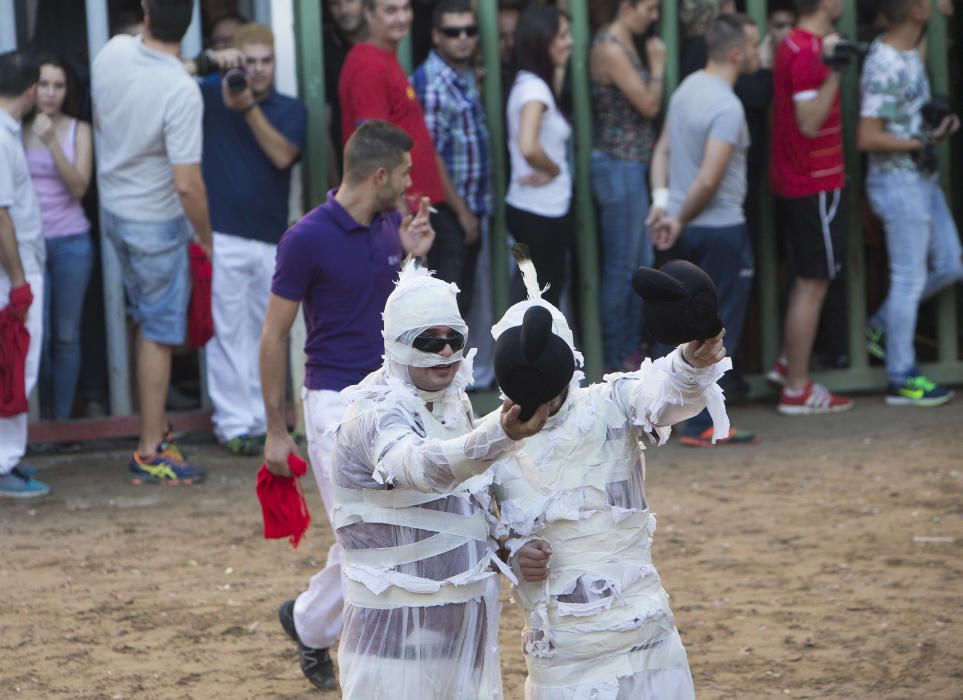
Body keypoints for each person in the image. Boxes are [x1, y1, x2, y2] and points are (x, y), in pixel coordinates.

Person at [491, 256, 731, 700]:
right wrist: (514, 553)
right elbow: (477, 538)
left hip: (648, 640)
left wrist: (692, 362)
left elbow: (665, 396)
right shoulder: (490, 443)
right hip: (564, 657)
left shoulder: (613, 404)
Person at [320, 259, 549, 698]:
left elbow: (470, 506)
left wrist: (510, 548)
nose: (445, 352)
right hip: (392, 645)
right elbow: (421, 468)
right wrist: (497, 435)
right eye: (429, 340)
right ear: (397, 345)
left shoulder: (453, 405)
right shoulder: (374, 414)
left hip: (463, 634)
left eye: (454, 339)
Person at [261, 120, 435, 690]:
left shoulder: (390, 227)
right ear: (380, 175)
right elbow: (273, 336)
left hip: (390, 397)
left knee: (383, 526)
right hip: (335, 402)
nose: (412, 183)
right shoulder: (306, 237)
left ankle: (309, 622)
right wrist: (276, 430)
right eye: (406, 173)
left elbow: (403, 312)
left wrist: (413, 258)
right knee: (365, 533)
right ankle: (368, 645)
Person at [92, 0, 211, 484]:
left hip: (115, 210)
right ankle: (149, 449)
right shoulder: (181, 90)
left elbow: (104, 120)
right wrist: (206, 237)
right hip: (156, 221)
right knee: (160, 332)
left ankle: (154, 430)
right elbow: (187, 184)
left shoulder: (112, 52)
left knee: (145, 321)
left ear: (144, 15)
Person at [647, 13, 759, 447]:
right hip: (719, 229)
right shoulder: (727, 106)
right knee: (715, 327)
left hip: (683, 228)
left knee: (674, 322)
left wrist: (663, 207)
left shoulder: (687, 87)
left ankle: (655, 416)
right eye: (752, 46)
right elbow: (710, 179)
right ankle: (700, 423)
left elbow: (662, 150)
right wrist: (678, 216)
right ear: (736, 53)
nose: (758, 53)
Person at [199, 23, 307, 455]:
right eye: (249, 62)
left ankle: (269, 423)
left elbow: (282, 155)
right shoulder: (209, 94)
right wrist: (210, 61)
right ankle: (232, 425)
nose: (258, 71)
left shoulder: (289, 108)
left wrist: (246, 107)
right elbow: (164, 72)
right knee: (228, 334)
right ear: (235, 60)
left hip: (271, 238)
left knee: (269, 334)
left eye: (266, 62)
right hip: (221, 235)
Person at [858, 0, 962, 406]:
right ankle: (901, 375)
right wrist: (924, 140)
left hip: (920, 178)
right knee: (908, 278)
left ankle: (879, 325)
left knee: (951, 262)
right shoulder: (884, 61)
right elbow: (868, 137)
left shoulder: (908, 49)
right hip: (898, 183)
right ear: (916, 9)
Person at [339, 0, 468, 292]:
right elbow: (376, 152)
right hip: (402, 214)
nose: (401, 17)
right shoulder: (368, 64)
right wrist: (400, 219)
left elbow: (419, 142)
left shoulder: (386, 59)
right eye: (390, 10)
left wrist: (457, 208)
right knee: (428, 316)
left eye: (405, 8)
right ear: (368, 14)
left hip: (418, 210)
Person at [767, 0, 854, 415]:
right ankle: (797, 389)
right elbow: (808, 121)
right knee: (813, 283)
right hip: (813, 183)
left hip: (803, 180)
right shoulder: (807, 52)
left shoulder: (797, 44)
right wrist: (835, 73)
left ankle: (788, 365)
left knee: (806, 279)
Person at [411, 0, 494, 381]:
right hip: (447, 211)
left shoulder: (461, 77)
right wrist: (461, 212)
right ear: (435, 36)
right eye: (452, 32)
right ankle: (441, 383)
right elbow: (430, 155)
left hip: (470, 208)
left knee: (459, 302)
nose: (462, 38)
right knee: (446, 306)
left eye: (469, 31)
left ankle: (453, 381)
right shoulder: (430, 81)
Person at [590, 0, 664, 373]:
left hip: (631, 165)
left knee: (641, 262)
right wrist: (660, 65)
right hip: (618, 165)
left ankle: (630, 349)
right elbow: (649, 104)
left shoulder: (627, 41)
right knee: (623, 266)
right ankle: (616, 355)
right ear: (626, 6)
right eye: (649, 8)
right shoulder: (610, 47)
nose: (654, 17)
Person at [22, 55, 93, 421]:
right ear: (31, 88)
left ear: (68, 90)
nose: (50, 93)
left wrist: (51, 141)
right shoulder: (14, 129)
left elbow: (79, 187)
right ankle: (38, 420)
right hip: (27, 245)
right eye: (44, 84)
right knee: (37, 335)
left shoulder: (79, 130)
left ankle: (62, 421)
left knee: (66, 336)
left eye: (58, 85)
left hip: (71, 242)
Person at [0, 51, 48, 498]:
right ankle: (3, 463)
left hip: (19, 268)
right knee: (15, 366)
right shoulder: (1, 134)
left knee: (14, 365)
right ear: (32, 91)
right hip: (15, 272)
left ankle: (9, 457)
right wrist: (18, 280)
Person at [505, 5, 574, 307]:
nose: (569, 42)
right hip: (540, 211)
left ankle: (521, 353)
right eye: (562, 36)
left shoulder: (532, 83)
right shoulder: (535, 91)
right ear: (542, 41)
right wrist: (555, 169)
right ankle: (526, 354)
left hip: (537, 208)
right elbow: (529, 146)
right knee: (539, 299)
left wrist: (556, 66)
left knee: (534, 293)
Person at [324, 0, 366, 180]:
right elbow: (325, 120)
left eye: (350, 1)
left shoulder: (382, 40)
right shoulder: (324, 47)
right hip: (348, 165)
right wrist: (336, 182)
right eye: (335, 4)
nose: (343, 10)